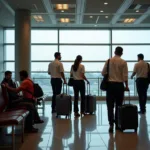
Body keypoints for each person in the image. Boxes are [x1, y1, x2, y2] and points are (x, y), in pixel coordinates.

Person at [102, 47, 129, 133]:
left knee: (110, 106)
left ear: (114, 52)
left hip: (110, 86)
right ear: (122, 53)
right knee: (119, 105)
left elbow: (103, 73)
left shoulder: (109, 61)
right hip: (119, 86)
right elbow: (125, 76)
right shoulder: (123, 62)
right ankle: (118, 124)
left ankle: (111, 124)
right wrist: (126, 86)